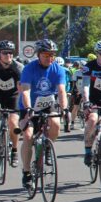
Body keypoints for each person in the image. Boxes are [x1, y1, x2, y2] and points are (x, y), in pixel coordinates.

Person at [17, 40, 68, 192]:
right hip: (30, 106)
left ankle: (47, 146)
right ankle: (26, 172)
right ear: (38, 54)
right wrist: (28, 109)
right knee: (27, 136)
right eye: (46, 55)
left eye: (52, 55)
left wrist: (64, 109)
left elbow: (61, 91)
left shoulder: (58, 69)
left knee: (56, 124)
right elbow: (25, 91)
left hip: (47, 104)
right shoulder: (29, 68)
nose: (49, 58)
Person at [0, 41, 24, 164]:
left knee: (13, 122)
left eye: (11, 53)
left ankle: (15, 150)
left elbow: (21, 88)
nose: (8, 55)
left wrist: (23, 104)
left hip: (13, 96)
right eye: (5, 53)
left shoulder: (18, 67)